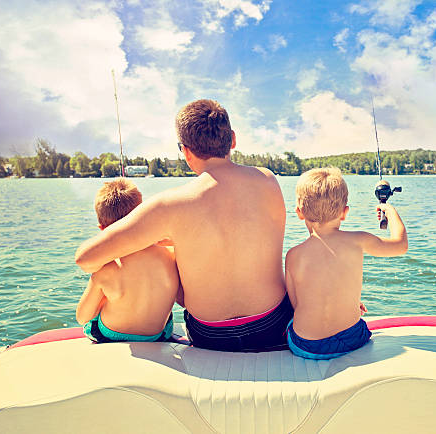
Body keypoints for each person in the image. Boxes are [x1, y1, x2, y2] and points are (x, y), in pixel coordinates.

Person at [75, 99, 292, 351]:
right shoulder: (267, 180)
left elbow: (85, 259)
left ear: (186, 151)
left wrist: (148, 242)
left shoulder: (170, 204)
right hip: (272, 324)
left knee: (174, 253)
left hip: (210, 335)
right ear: (232, 139)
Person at [285, 168, 408, 359]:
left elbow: (297, 304)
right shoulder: (358, 240)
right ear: (345, 212)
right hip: (352, 339)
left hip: (307, 345)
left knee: (290, 324)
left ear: (299, 213)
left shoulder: (293, 255)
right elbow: (400, 245)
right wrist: (390, 211)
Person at [76, 178, 179, 343]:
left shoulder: (106, 268)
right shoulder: (170, 254)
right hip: (158, 335)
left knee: (102, 300)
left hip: (111, 335)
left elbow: (82, 317)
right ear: (142, 216)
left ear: (102, 229)